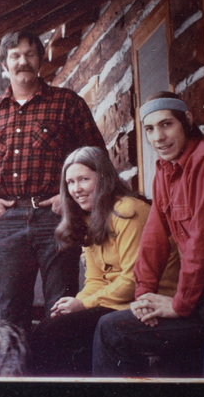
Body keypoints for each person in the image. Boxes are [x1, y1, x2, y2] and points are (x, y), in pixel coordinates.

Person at [92, 91, 204, 378]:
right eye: (149, 129)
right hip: (201, 289)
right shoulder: (164, 170)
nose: (158, 137)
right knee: (112, 329)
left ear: (186, 121)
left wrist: (180, 303)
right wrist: (144, 296)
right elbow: (153, 237)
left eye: (166, 125)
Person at [0, 31, 106, 332]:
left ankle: (57, 377)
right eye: (15, 56)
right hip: (9, 219)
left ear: (40, 60)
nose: (23, 62)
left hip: (56, 218)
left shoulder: (67, 103)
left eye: (30, 54)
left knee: (62, 307)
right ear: (4, 63)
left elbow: (97, 158)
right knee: (10, 309)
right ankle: (13, 375)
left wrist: (67, 200)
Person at [29, 146, 179, 376]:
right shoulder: (92, 218)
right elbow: (95, 278)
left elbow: (133, 281)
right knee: (48, 329)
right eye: (70, 183)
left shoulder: (129, 211)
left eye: (83, 179)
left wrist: (84, 305)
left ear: (104, 178)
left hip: (149, 301)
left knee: (56, 333)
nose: (76, 189)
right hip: (114, 302)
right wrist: (76, 304)